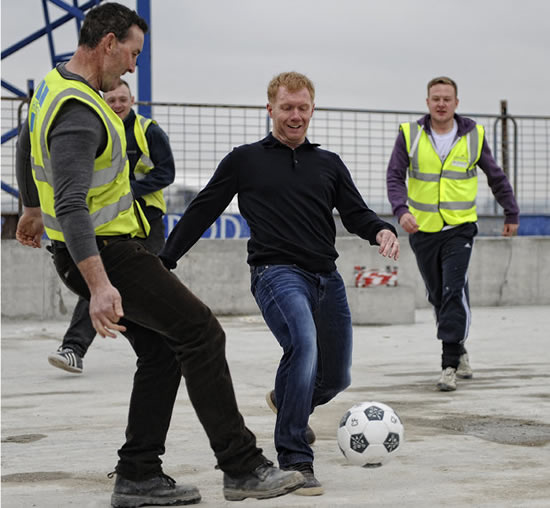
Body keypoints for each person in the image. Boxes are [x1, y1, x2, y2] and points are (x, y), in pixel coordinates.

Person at [15, 4, 305, 506]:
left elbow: (24, 139)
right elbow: (72, 203)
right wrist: (100, 283)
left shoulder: (54, 85)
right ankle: (241, 467)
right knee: (200, 331)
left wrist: (29, 204)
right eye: (132, 53)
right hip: (108, 253)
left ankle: (138, 475)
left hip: (99, 250)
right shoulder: (81, 110)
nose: (131, 66)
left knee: (164, 352)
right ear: (108, 43)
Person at [159, 71, 400, 496]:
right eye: (287, 107)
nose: (295, 115)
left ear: (312, 109)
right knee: (302, 345)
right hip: (276, 273)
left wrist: (381, 230)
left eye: (302, 108)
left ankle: (286, 401)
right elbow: (203, 209)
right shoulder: (245, 159)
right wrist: (166, 260)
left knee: (336, 377)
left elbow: (356, 212)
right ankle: (295, 459)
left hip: (326, 277)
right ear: (270, 109)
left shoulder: (328, 163)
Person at [386, 76, 519, 392]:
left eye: (447, 98)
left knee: (452, 290)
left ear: (456, 103)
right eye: (436, 98)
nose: (441, 104)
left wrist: (510, 211)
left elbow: (495, 176)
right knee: (438, 295)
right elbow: (394, 176)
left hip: (460, 227)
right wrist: (401, 210)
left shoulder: (473, 135)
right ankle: (459, 348)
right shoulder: (411, 135)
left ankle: (448, 364)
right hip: (422, 228)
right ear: (428, 102)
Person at [47, 79, 175, 374]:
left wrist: (130, 190)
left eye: (122, 100)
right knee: (99, 282)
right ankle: (73, 348)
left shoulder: (149, 131)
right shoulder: (94, 128)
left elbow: (166, 172)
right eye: (111, 100)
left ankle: (174, 342)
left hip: (146, 221)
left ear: (132, 101)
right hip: (110, 223)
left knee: (155, 282)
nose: (117, 105)